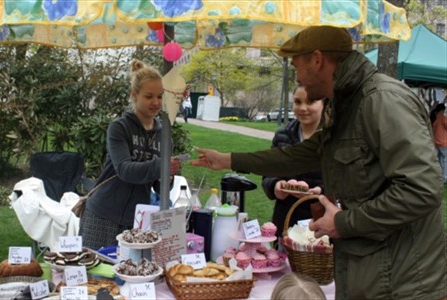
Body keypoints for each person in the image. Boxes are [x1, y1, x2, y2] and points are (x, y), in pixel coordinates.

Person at [190, 26, 446, 299]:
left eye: (297, 66)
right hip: (370, 274)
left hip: (402, 283)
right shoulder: (348, 103)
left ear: (317, 59)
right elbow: (299, 155)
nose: (297, 77)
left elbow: (423, 189)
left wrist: (345, 222)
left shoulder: (382, 101)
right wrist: (228, 160)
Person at [79, 59, 181, 250]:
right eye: (149, 96)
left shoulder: (164, 136)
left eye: (160, 96)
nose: (156, 102)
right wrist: (161, 165)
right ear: (134, 95)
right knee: (94, 274)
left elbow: (160, 188)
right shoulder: (119, 128)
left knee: (130, 274)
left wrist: (170, 173)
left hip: (136, 219)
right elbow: (125, 170)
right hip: (102, 214)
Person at [262, 85, 324, 246]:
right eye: (297, 102)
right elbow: (268, 174)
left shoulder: (334, 138)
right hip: (286, 220)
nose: (303, 108)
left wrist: (320, 191)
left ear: (324, 104)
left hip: (320, 223)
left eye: (310, 102)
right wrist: (275, 185)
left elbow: (344, 180)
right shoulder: (283, 135)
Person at [430, 103, 447, 183]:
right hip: (443, 143)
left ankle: (436, 177)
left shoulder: (433, 118)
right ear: (442, 110)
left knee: (437, 161)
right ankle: (445, 178)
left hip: (435, 143)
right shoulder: (443, 118)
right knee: (445, 160)